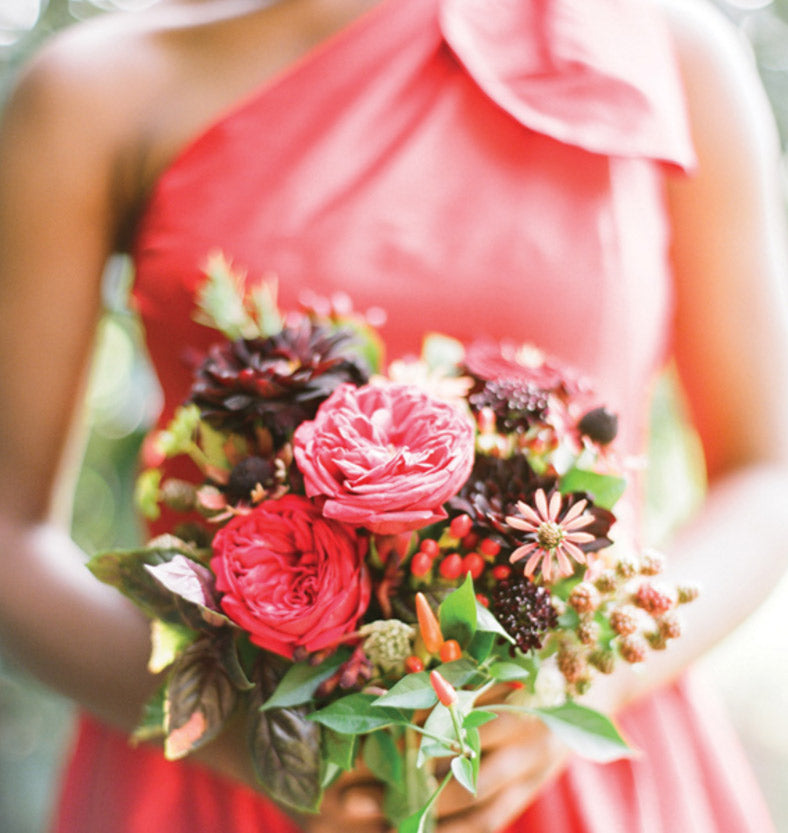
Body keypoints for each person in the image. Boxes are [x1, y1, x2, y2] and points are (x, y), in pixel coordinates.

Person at [0, 0, 787, 831]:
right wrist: (246, 739)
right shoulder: (101, 89)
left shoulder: (667, 52)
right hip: (219, 772)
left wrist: (589, 683)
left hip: (569, 764)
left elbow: (768, 473)